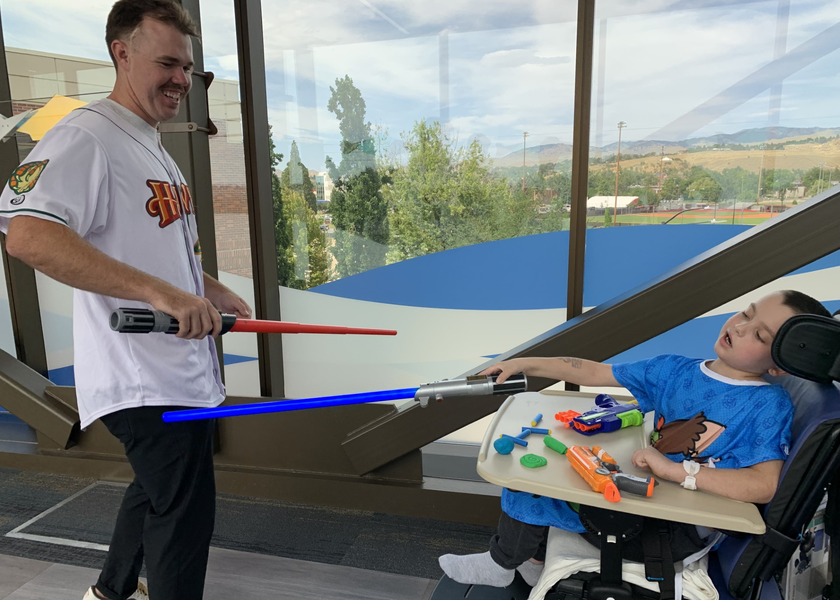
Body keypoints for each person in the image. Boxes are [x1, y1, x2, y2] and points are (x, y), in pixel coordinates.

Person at [0, 1, 251, 599]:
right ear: (122, 53)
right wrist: (162, 295)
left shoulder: (153, 147)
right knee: (183, 520)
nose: (180, 80)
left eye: (189, 68)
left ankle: (111, 592)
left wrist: (214, 293)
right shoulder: (87, 134)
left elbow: (165, 255)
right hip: (141, 373)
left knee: (156, 491)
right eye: (167, 62)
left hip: (178, 369)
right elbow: (27, 234)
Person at [439, 290, 831, 588]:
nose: (739, 326)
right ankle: (532, 559)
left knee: (531, 488)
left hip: (671, 528)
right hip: (647, 497)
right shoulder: (674, 370)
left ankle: (502, 563)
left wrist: (679, 472)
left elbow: (764, 485)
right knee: (553, 465)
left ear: (780, 367)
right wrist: (524, 363)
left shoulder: (767, 407)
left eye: (759, 334)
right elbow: (593, 372)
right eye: (746, 313)